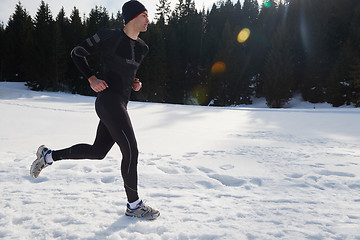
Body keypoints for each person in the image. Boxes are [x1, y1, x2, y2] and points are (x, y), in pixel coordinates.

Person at [30, 0, 159, 220]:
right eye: (144, 15)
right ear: (132, 18)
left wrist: (135, 83)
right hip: (108, 101)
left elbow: (125, 73)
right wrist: (91, 78)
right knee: (131, 150)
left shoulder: (142, 48)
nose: (149, 20)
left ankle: (48, 156)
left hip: (121, 102)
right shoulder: (108, 36)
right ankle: (134, 205)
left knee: (98, 152)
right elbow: (77, 53)